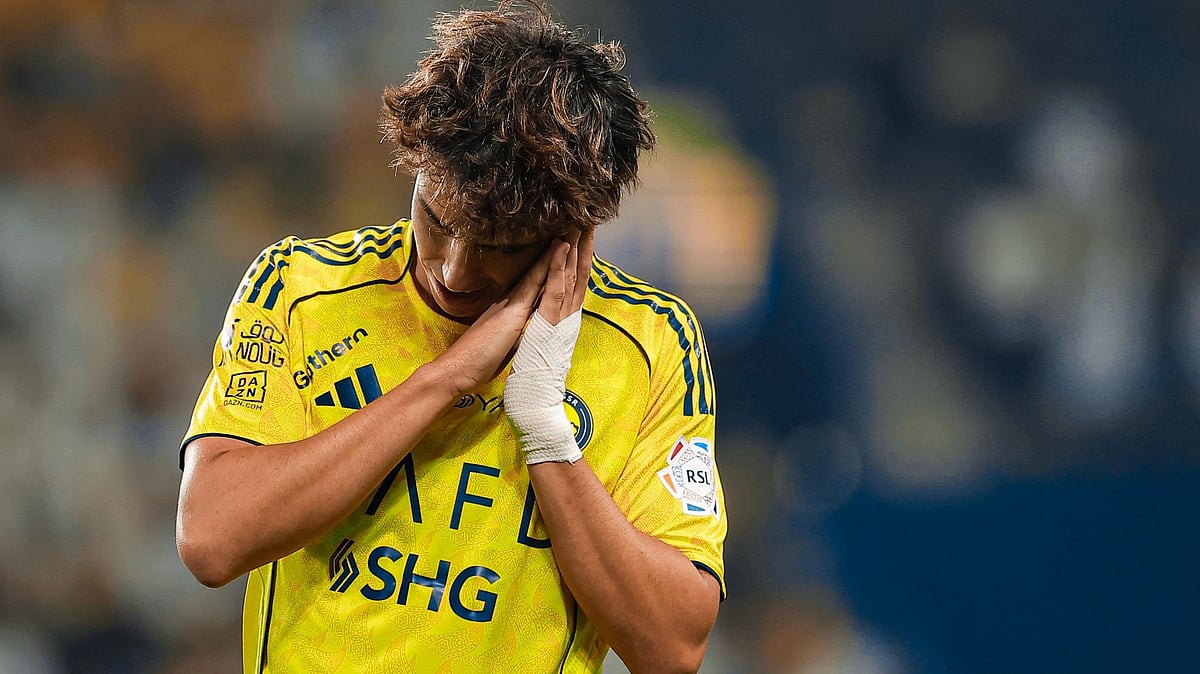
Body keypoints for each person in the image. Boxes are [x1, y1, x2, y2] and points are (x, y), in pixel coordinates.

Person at [175, 2, 725, 672]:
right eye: (436, 220)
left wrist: (544, 427)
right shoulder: (300, 287)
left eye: (500, 246)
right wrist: (446, 378)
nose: (455, 270)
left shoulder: (648, 342)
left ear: (574, 232)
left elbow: (671, 646)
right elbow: (210, 539)